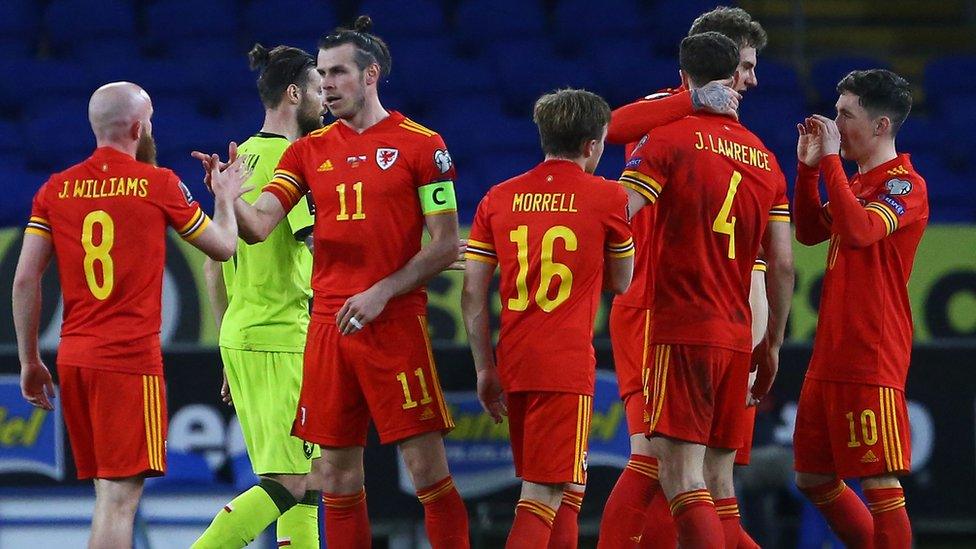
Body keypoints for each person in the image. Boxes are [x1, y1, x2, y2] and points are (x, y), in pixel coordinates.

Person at [197, 16, 470, 548]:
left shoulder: (422, 145)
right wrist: (227, 196)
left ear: (371, 74)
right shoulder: (306, 150)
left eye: (339, 72)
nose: (327, 85)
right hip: (326, 330)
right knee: (337, 481)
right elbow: (258, 228)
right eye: (321, 74)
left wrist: (382, 290)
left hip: (393, 324)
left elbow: (442, 244)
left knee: (427, 475)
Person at [13, 82, 245, 549]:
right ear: (139, 127)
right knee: (120, 500)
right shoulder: (157, 184)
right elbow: (224, 246)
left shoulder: (55, 189)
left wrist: (28, 360)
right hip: (129, 361)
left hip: (73, 358)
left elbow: (24, 281)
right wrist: (224, 196)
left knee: (107, 494)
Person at [599, 7, 794, 548]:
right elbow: (606, 128)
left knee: (690, 475)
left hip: (696, 318)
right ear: (721, 65)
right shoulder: (667, 119)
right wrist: (764, 335)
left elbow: (764, 260)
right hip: (656, 310)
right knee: (669, 466)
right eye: (746, 66)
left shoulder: (710, 138)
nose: (752, 79)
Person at [462, 88, 635, 549]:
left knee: (567, 489)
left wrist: (484, 367)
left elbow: (473, 292)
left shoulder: (498, 197)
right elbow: (622, 280)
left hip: (514, 361)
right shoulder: (608, 197)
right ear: (591, 145)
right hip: (563, 365)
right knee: (542, 493)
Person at [193, 44, 324, 548]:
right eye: (317, 90)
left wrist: (230, 345)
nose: (325, 101)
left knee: (306, 480)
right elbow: (320, 245)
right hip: (279, 335)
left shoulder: (242, 158)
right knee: (289, 482)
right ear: (294, 93)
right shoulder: (289, 160)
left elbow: (212, 263)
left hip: (247, 332)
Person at [792, 69, 925, 549]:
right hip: (829, 355)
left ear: (881, 125)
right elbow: (808, 231)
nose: (836, 124)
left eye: (846, 115)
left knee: (880, 484)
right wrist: (809, 170)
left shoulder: (906, 185)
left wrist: (829, 162)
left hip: (871, 354)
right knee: (812, 476)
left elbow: (859, 231)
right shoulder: (858, 184)